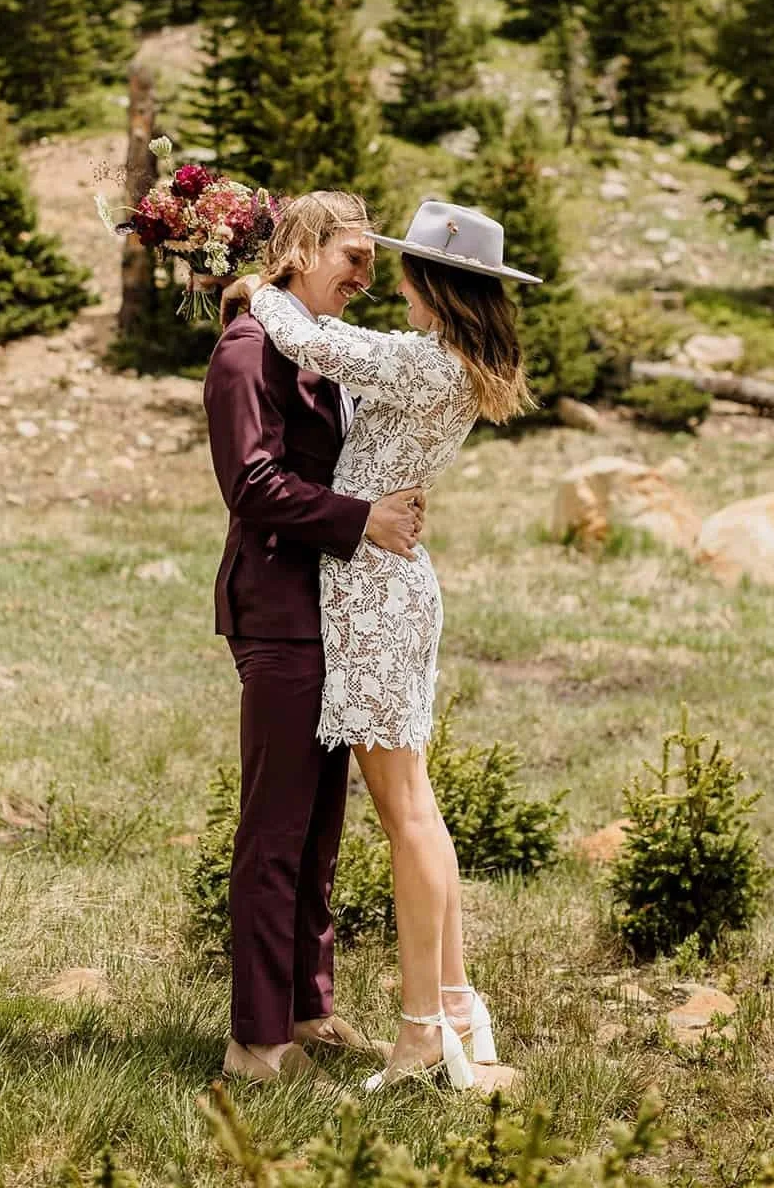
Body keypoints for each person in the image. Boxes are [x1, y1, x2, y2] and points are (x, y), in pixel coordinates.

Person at [230, 199, 541, 1093]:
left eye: (398, 265)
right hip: (391, 585)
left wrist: (254, 284)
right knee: (419, 806)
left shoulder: (420, 362)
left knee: (405, 812)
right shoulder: (448, 362)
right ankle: (455, 1009)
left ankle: (419, 1033)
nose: (385, 280)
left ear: (431, 283)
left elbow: (319, 344)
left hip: (370, 593)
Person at [203, 190, 427, 1085]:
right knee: (275, 827)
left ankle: (309, 1007)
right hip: (279, 608)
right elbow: (250, 485)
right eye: (353, 256)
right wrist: (359, 518)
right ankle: (255, 1043)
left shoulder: (318, 347)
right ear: (298, 248)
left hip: (336, 611)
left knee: (320, 826)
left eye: (374, 263)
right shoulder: (246, 347)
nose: (365, 277)